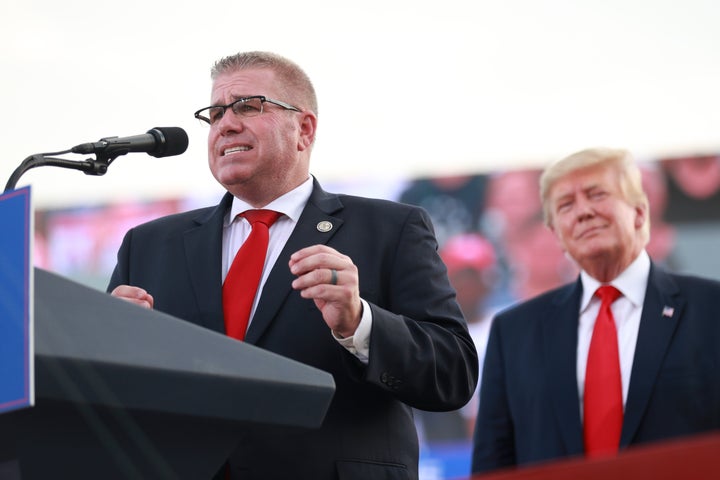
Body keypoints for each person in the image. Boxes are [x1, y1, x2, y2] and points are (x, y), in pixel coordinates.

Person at [107, 51, 478, 480]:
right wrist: (111, 348)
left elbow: (454, 373)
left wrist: (358, 322)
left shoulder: (390, 229)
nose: (225, 124)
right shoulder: (149, 245)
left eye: (248, 106)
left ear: (304, 129)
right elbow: (104, 403)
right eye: (214, 114)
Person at [471, 147, 720, 474]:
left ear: (640, 212)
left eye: (596, 194)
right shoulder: (514, 333)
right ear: (557, 234)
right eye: (565, 205)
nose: (583, 212)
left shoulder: (710, 309)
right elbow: (493, 462)